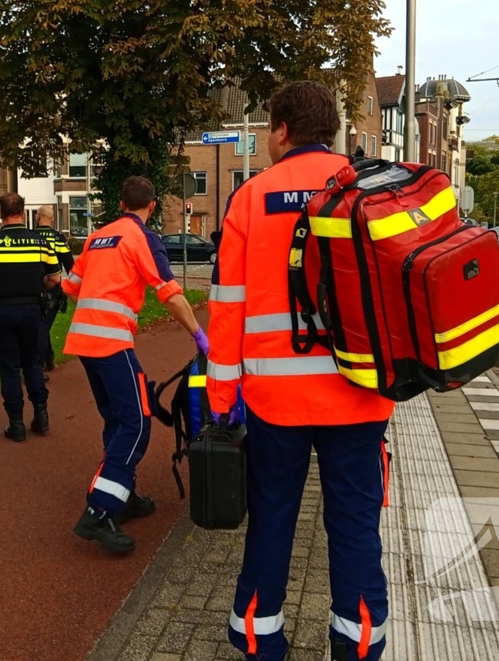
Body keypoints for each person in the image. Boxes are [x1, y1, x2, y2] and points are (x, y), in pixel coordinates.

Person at [206, 81, 396, 661]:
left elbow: (227, 304)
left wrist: (220, 397)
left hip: (274, 403)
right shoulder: (371, 189)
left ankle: (260, 641)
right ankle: (359, 642)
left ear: (282, 130)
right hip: (360, 394)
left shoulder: (251, 198)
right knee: (355, 524)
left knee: (272, 519)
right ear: (333, 131)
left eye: (267, 129)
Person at [63, 176, 208, 555]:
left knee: (117, 418)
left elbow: (71, 285)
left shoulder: (98, 237)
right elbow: (170, 294)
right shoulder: (142, 238)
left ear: (122, 204)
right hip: (111, 341)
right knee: (138, 421)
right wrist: (198, 334)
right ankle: (99, 509)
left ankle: (121, 495)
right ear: (152, 206)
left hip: (84, 341)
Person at [0, 193, 62, 443]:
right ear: (23, 212)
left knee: (9, 367)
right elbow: (55, 279)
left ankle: (16, 424)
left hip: (3, 313)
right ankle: (41, 417)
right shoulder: (40, 242)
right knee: (32, 363)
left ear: (0, 213)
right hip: (33, 312)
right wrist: (38, 285)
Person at [34, 205, 75, 371]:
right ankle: (46, 360)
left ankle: (41, 363)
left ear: (38, 217)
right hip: (52, 290)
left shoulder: (31, 237)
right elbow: (70, 266)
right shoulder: (58, 238)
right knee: (43, 326)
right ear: (52, 219)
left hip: (34, 289)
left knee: (40, 326)